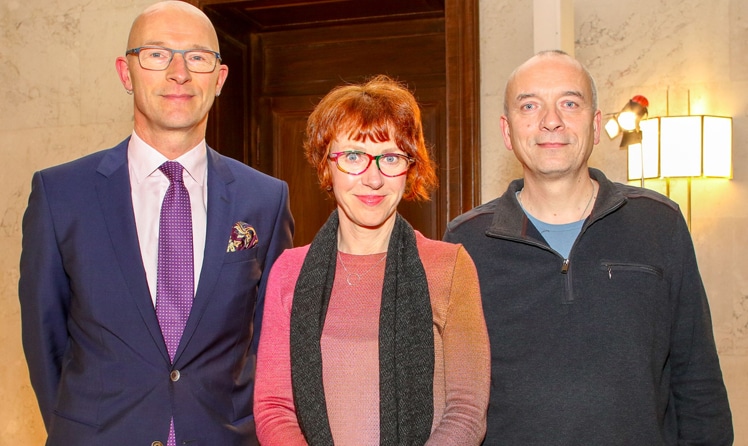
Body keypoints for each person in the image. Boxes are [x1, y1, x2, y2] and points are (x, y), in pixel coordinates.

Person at [18, 2, 294, 445]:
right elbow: (44, 340)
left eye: (198, 57)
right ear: (126, 74)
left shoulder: (265, 199)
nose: (178, 73)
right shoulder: (61, 194)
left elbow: (273, 344)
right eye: (157, 54)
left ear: (219, 80)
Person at [443, 50, 733, 445]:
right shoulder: (466, 243)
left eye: (569, 103)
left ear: (596, 125)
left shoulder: (659, 224)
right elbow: (450, 396)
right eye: (530, 105)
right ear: (508, 131)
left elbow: (697, 382)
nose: (551, 121)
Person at [254, 75, 490, 445]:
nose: (373, 178)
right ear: (326, 166)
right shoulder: (288, 271)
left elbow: (466, 411)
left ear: (410, 167)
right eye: (352, 157)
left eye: (391, 158)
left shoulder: (451, 267)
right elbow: (273, 408)